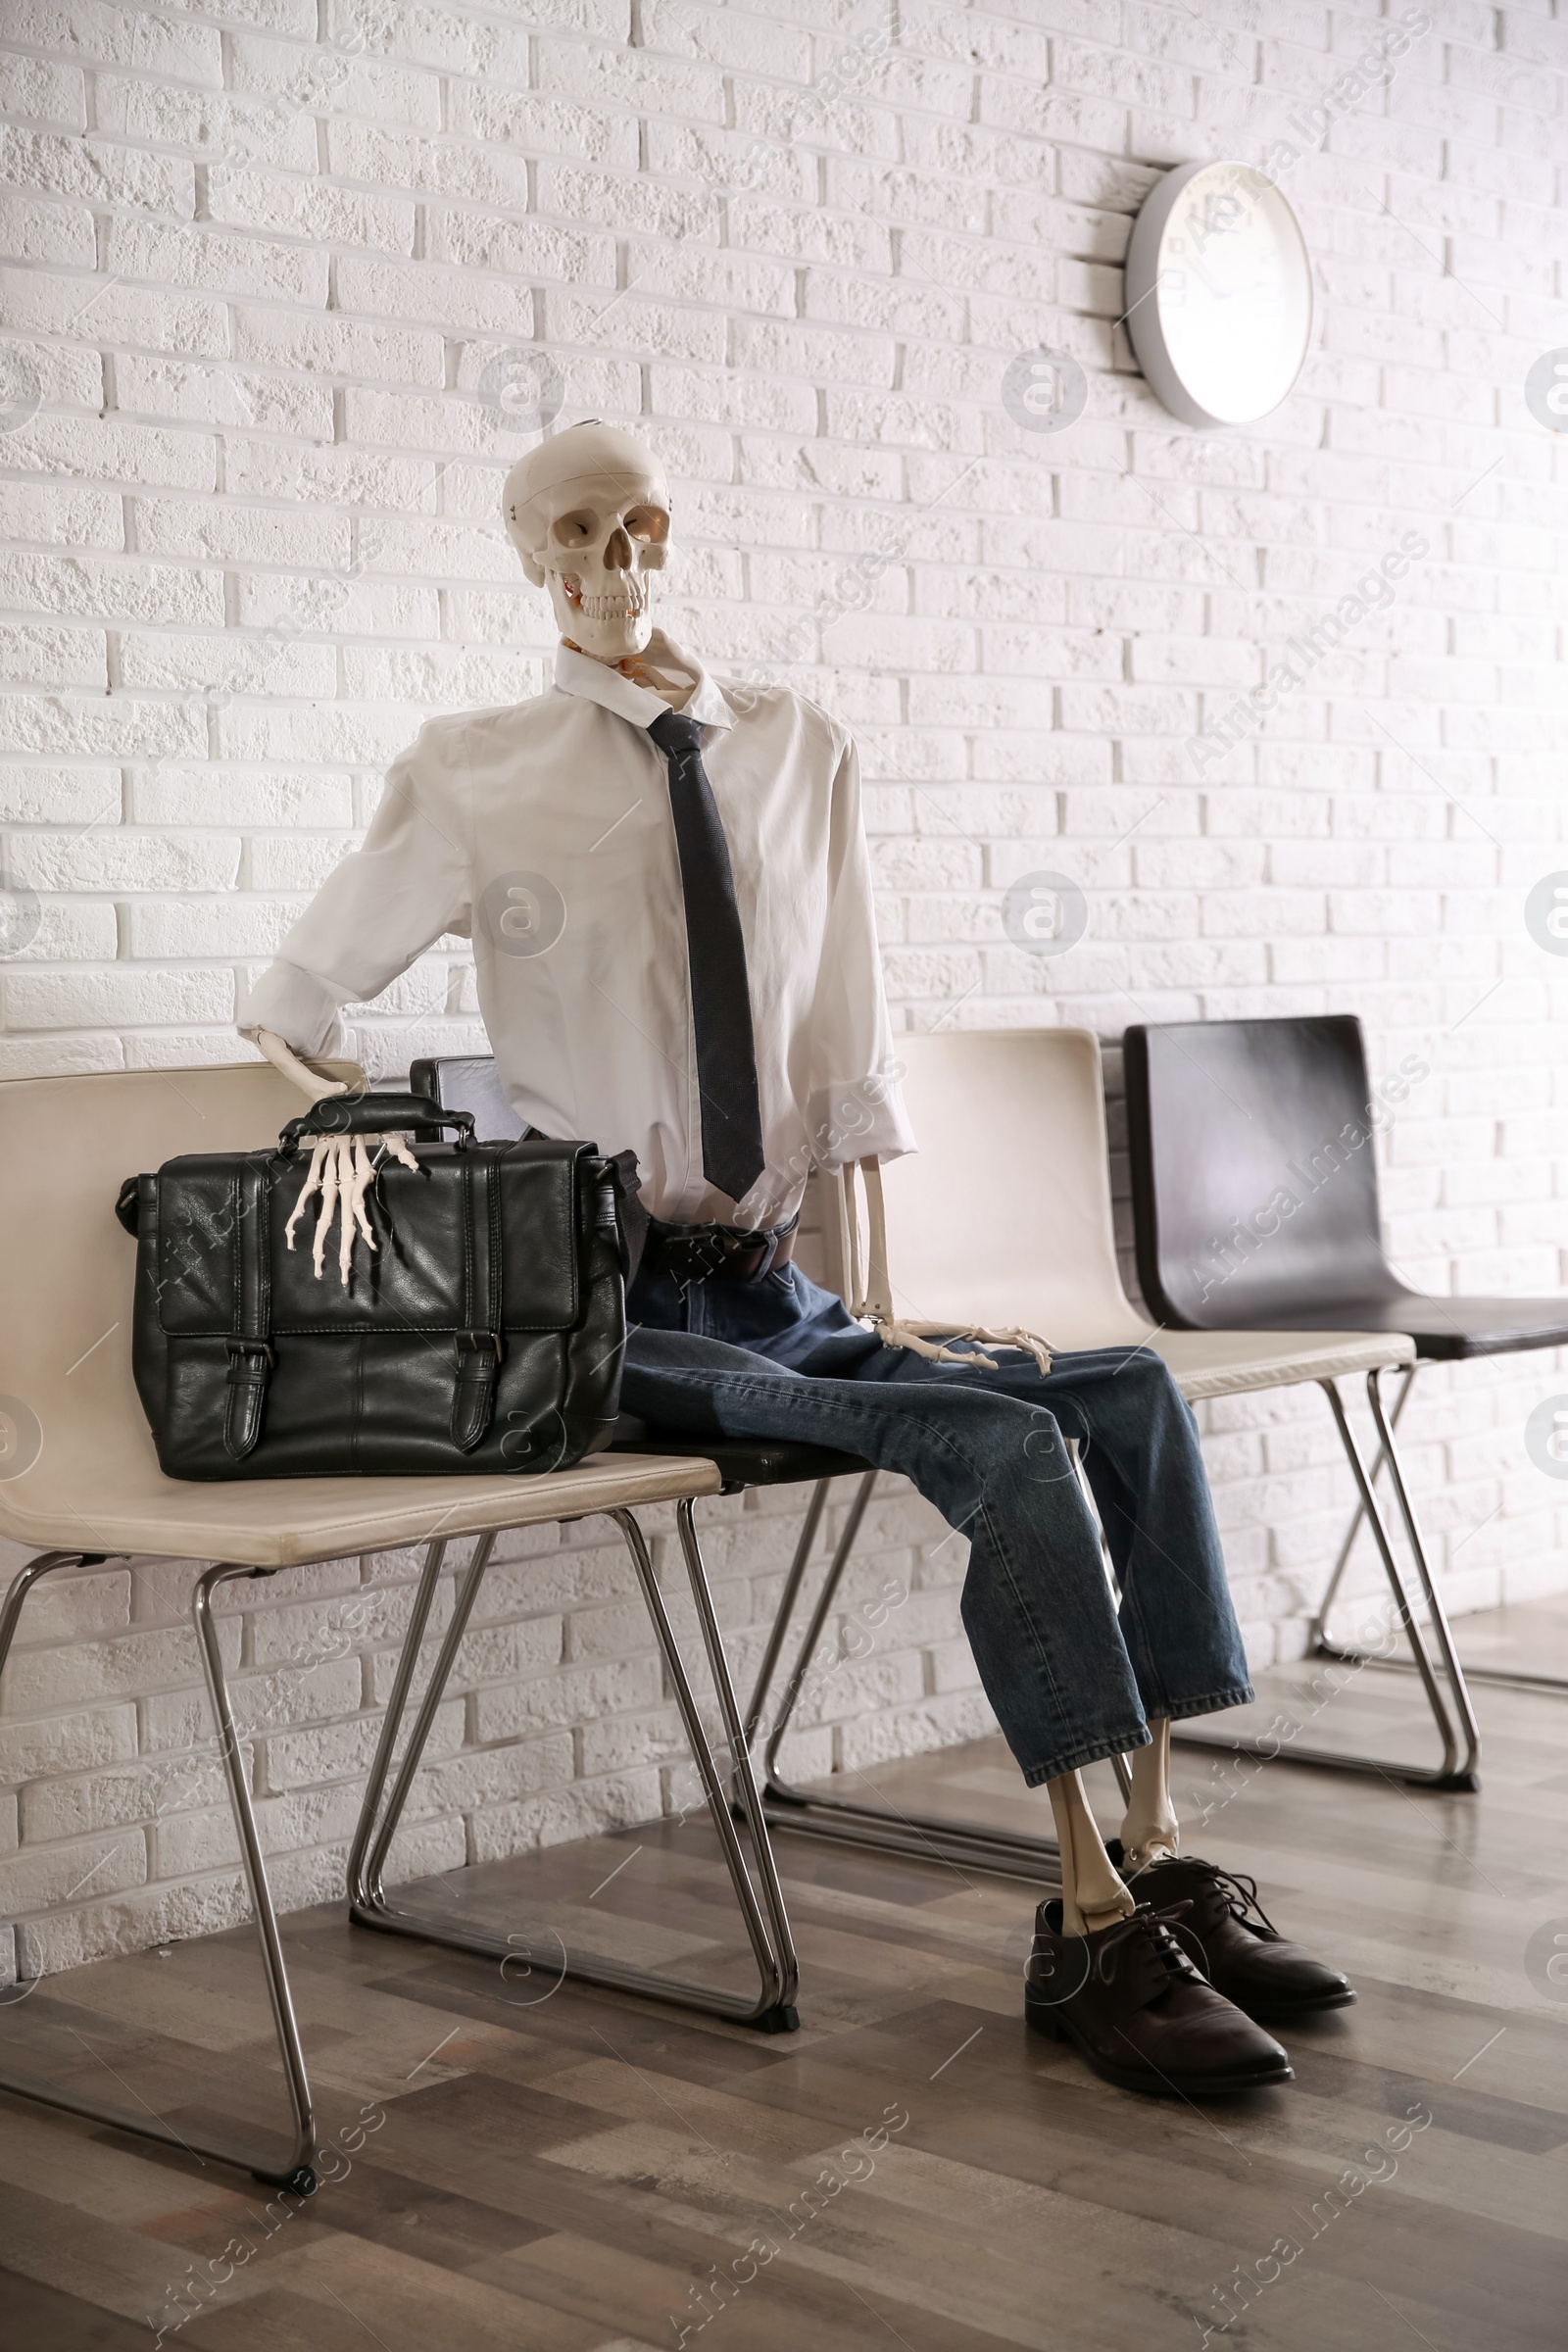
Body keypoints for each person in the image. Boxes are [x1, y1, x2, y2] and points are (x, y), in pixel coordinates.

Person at [244, 422, 1352, 2097]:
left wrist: (887, 1314)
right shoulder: (472, 768)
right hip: (595, 1306)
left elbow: (840, 1068)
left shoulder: (794, 746)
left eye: (636, 527)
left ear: (668, 537)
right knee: (1002, 1439)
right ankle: (1086, 1924)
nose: (611, 562)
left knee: (1119, 1391)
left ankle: (1159, 1841)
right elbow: (288, 1007)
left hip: (776, 1279)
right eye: (572, 532)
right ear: (521, 553)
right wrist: (358, 1126)